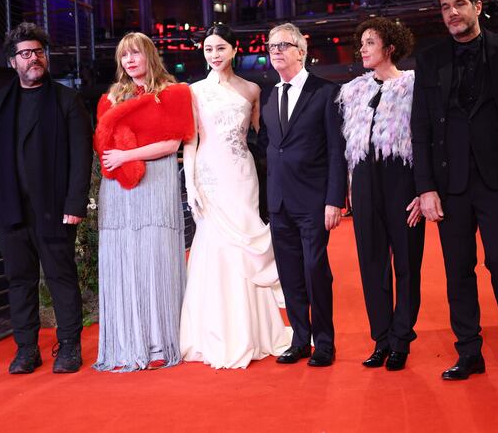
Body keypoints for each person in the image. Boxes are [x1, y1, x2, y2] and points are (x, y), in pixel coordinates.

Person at [411, 0, 498, 384]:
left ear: (477, 6)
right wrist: (425, 188)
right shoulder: (430, 59)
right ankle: (469, 352)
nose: (452, 13)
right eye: (445, 7)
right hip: (449, 184)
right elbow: (419, 128)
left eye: (459, 4)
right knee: (457, 270)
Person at [0, 22, 92, 374]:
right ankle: (26, 349)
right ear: (12, 62)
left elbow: (82, 157)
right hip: (9, 209)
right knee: (19, 282)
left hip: (55, 210)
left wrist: (74, 204)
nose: (33, 58)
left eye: (38, 52)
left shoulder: (68, 101)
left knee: (61, 279)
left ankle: (69, 347)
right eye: (25, 54)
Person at [180, 24, 291, 369]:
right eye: (208, 49)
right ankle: (214, 333)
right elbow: (191, 141)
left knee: (245, 243)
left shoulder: (253, 89)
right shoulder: (192, 91)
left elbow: (262, 138)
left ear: (234, 50)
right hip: (209, 178)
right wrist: (191, 185)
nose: (214, 55)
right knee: (214, 248)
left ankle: (256, 331)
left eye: (220, 48)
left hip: (242, 176)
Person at [92, 32, 194, 372]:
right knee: (125, 262)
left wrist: (126, 155)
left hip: (158, 181)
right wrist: (119, 161)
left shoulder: (175, 93)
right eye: (124, 56)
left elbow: (171, 143)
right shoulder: (109, 98)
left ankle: (160, 342)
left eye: (136, 53)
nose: (130, 60)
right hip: (119, 191)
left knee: (157, 259)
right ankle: (127, 342)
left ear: (150, 55)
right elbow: (103, 144)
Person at [337, 17, 424, 371]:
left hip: (401, 181)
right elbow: (348, 147)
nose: (362, 49)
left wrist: (422, 190)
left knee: (406, 262)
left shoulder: (413, 86)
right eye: (362, 43)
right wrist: (348, 189)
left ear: (389, 47)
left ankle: (402, 339)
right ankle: (382, 338)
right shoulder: (353, 90)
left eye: (369, 43)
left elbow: (423, 141)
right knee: (371, 263)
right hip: (365, 182)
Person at [258, 23, 347, 367]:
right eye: (271, 46)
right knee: (290, 273)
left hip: (314, 201)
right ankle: (299, 339)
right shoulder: (269, 96)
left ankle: (325, 342)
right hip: (279, 202)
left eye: (282, 45)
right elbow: (269, 150)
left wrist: (334, 199)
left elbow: (336, 151)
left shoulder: (326, 92)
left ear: (300, 50)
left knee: (315, 270)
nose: (275, 51)